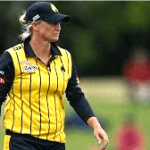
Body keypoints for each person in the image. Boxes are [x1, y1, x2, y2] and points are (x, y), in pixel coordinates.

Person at [0, 1, 109, 150]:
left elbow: (75, 95)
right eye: (52, 22)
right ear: (35, 25)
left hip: (55, 142)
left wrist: (95, 125)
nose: (58, 26)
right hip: (21, 141)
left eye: (59, 22)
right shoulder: (12, 57)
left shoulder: (65, 57)